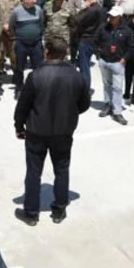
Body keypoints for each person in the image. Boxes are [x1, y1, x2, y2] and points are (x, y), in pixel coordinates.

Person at [14, 38, 91, 224]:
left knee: (34, 172)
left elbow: (23, 105)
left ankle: (31, 213)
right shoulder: (77, 76)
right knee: (62, 170)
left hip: (37, 132)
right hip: (64, 132)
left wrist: (19, 126)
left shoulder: (35, 75)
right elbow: (84, 104)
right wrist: (70, 112)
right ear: (65, 53)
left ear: (47, 52)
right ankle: (59, 211)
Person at [95, 6, 134, 126]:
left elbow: (131, 47)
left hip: (118, 63)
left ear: (120, 17)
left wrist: (124, 59)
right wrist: (98, 55)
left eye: (114, 16)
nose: (111, 18)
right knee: (107, 84)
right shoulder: (103, 27)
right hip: (104, 61)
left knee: (117, 88)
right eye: (110, 15)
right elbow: (95, 41)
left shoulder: (127, 31)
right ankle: (107, 104)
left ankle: (117, 112)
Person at [8, 0, 44, 93]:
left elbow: (41, 25)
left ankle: (37, 87)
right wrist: (18, 38)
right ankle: (19, 88)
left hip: (36, 43)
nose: (35, 1)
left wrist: (38, 36)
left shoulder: (38, 10)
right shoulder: (16, 11)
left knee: (38, 67)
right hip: (21, 43)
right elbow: (11, 27)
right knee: (19, 67)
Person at [72, 0, 103, 93]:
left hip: (86, 40)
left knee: (84, 67)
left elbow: (76, 20)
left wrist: (83, 8)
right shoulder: (99, 7)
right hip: (94, 39)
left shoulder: (91, 9)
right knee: (84, 65)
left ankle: (85, 91)